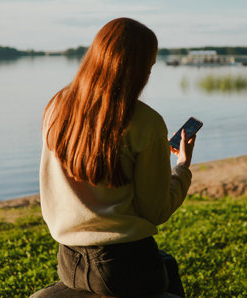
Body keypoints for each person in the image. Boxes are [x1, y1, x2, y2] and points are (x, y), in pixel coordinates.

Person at [38, 17, 196, 297]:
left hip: (70, 261)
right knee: (166, 267)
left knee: (167, 263)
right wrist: (182, 167)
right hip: (126, 266)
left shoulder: (57, 107)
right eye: (149, 65)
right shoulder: (145, 122)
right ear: (136, 69)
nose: (149, 73)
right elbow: (155, 211)